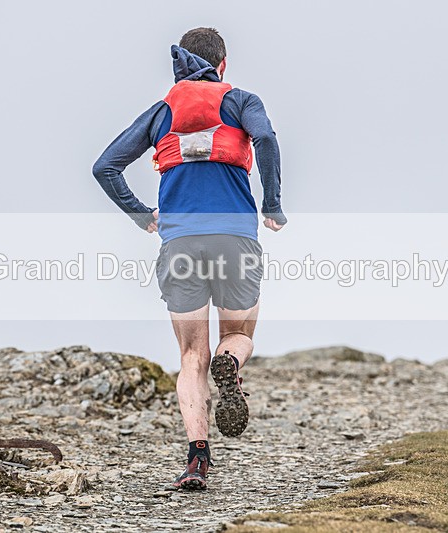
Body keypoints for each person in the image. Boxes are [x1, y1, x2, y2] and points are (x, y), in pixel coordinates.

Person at [93, 27, 287, 490]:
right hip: (234, 238)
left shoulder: (162, 112)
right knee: (238, 335)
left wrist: (142, 216)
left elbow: (105, 166)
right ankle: (233, 366)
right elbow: (266, 141)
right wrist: (273, 202)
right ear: (223, 64)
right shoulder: (241, 100)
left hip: (180, 244)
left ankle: (196, 460)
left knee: (190, 356)